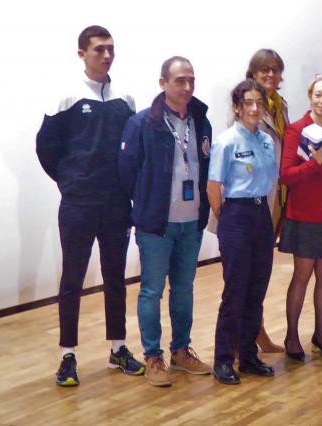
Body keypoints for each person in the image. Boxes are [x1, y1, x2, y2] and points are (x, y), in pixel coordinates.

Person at [36, 25, 145, 387]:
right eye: (99, 49)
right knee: (72, 280)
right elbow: (46, 148)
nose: (107, 55)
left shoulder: (125, 98)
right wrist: (71, 182)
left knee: (116, 278)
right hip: (78, 204)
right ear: (82, 53)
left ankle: (118, 348)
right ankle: (68, 355)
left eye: (111, 49)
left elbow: (132, 151)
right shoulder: (65, 97)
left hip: (116, 204)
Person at [118, 56, 212, 386]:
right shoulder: (143, 123)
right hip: (156, 224)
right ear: (163, 83)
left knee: (184, 289)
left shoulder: (202, 121)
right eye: (179, 81)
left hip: (191, 221)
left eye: (191, 80)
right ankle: (154, 356)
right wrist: (147, 203)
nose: (187, 87)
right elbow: (126, 171)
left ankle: (181, 351)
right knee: (152, 291)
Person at [207, 79, 278, 385]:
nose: (253, 108)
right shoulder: (226, 141)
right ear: (237, 107)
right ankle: (223, 359)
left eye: (258, 103)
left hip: (261, 214)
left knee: (257, 288)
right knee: (235, 290)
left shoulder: (265, 140)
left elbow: (271, 180)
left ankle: (248, 356)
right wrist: (226, 219)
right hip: (235, 214)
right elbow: (213, 187)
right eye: (247, 103)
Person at [279, 75, 322, 360]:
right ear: (310, 96)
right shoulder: (296, 129)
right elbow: (286, 176)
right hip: (305, 212)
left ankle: (321, 333)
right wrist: (312, 164)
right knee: (303, 275)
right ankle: (292, 336)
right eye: (319, 95)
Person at [245, 48, 289, 353]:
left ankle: (257, 329)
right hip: (253, 198)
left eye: (275, 70)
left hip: (276, 196)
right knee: (245, 272)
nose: (271, 75)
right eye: (265, 70)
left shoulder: (279, 105)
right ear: (253, 73)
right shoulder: (247, 104)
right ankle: (241, 336)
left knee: (262, 269)